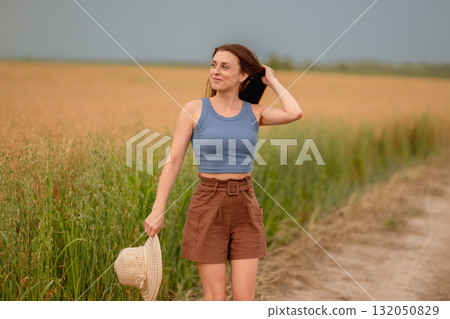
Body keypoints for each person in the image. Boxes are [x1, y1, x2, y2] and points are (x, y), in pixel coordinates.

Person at [144, 43, 303, 301]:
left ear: (243, 76)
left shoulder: (254, 112)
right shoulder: (194, 110)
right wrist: (157, 208)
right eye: (213, 64)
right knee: (216, 299)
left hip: (245, 205)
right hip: (208, 204)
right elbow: (173, 161)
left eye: (225, 66)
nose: (215, 71)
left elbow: (295, 112)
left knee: (244, 300)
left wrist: (270, 79)